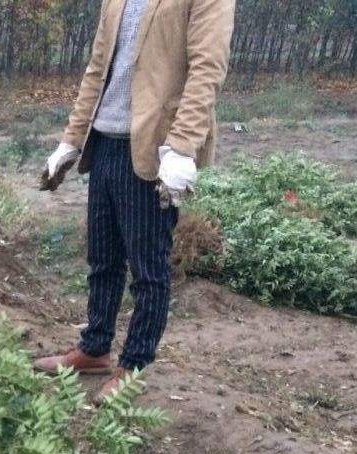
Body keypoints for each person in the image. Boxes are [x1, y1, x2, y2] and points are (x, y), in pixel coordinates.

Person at [38, 0, 236, 401]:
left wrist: (181, 146)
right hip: (105, 144)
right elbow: (97, 70)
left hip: (154, 148)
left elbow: (206, 70)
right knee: (104, 260)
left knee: (148, 271)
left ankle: (134, 365)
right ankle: (94, 348)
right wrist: (71, 139)